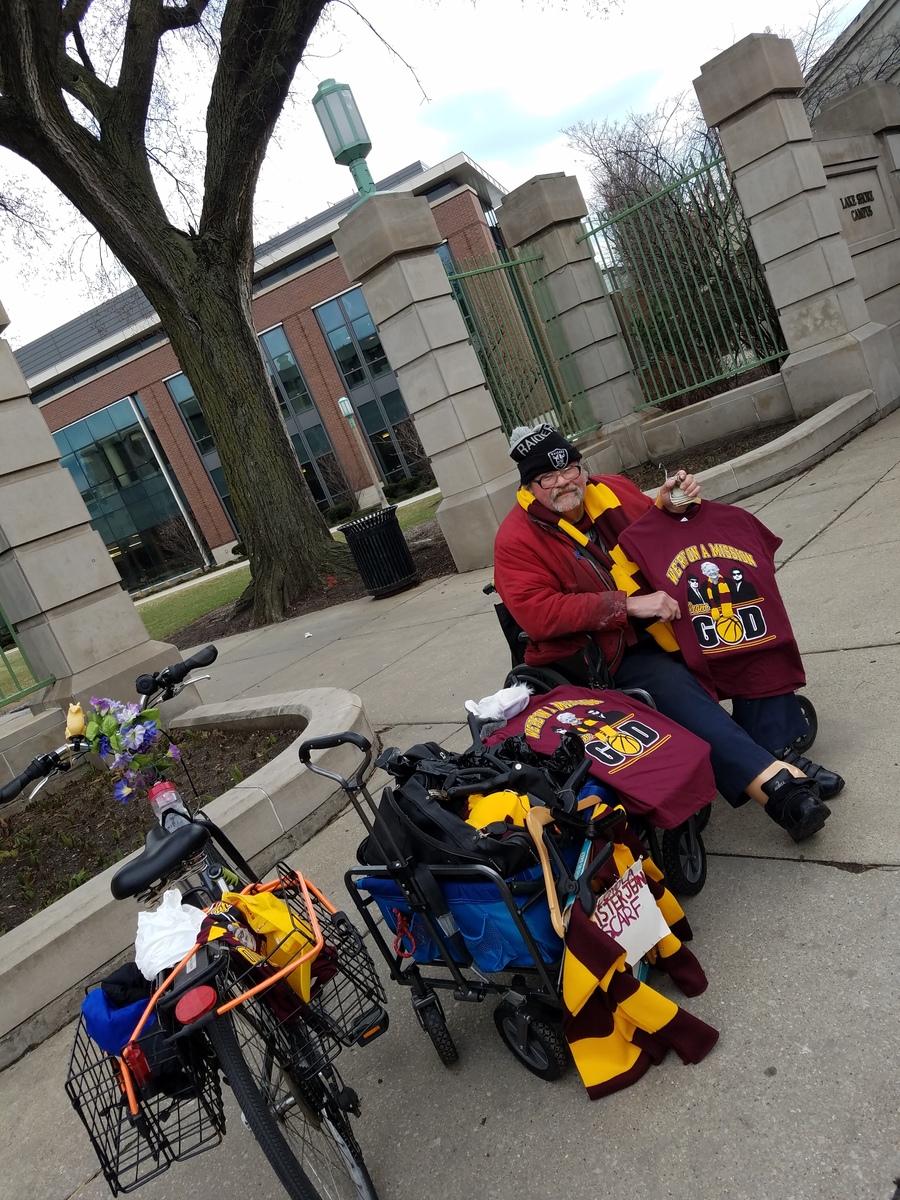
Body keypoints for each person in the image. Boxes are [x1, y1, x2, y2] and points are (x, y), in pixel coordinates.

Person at [492, 423, 844, 844]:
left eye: (570, 468)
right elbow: (539, 614)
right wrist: (626, 605)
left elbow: (654, 523)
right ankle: (778, 788)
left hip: (667, 617)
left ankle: (773, 744)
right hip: (609, 650)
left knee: (747, 632)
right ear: (530, 485)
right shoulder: (515, 538)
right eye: (547, 477)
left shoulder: (612, 489)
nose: (564, 482)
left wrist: (673, 500)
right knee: (675, 687)